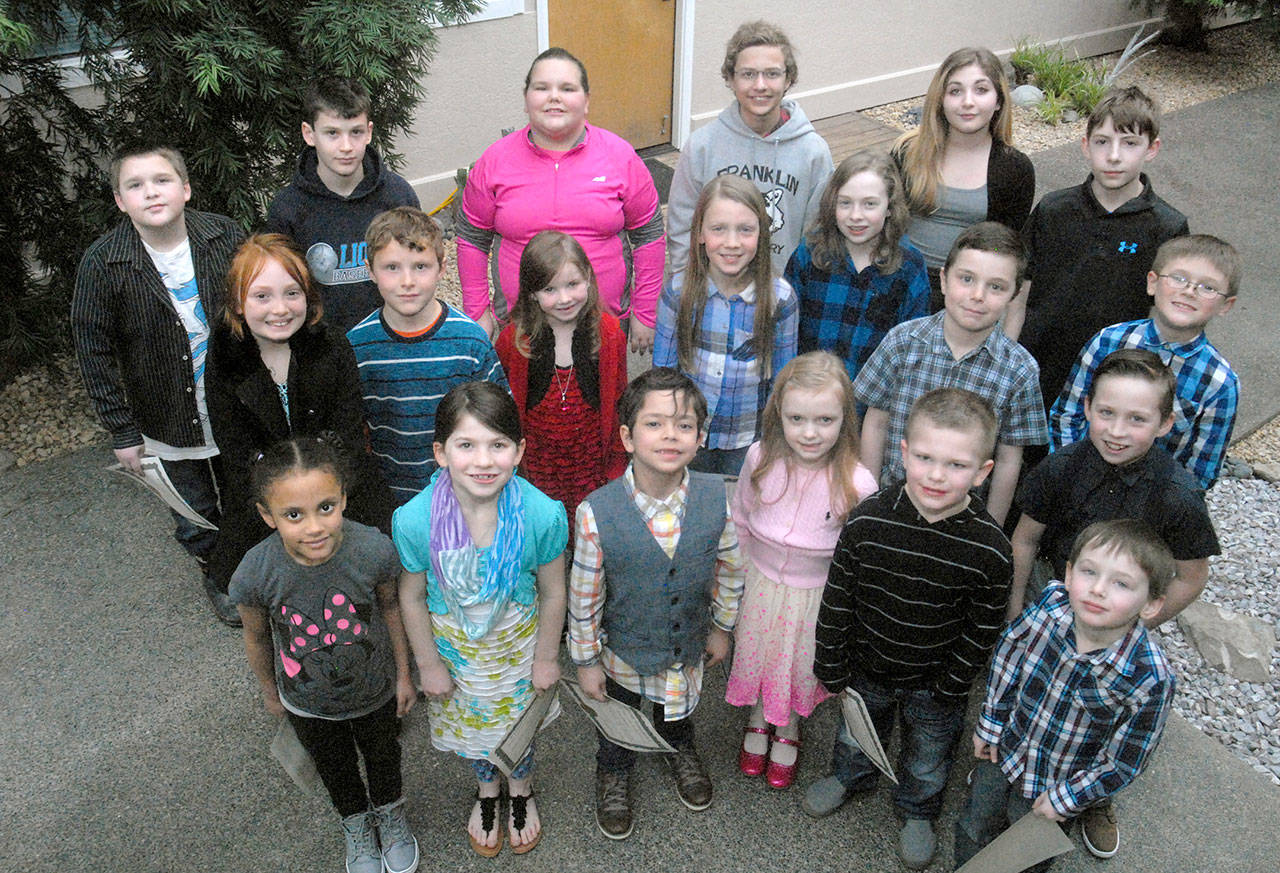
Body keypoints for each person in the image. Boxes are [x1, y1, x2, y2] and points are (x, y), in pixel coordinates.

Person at [809, 388, 1012, 870]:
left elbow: (981, 631)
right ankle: (851, 776)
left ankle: (918, 809)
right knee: (856, 732)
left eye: (957, 465)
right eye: (924, 457)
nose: (937, 475)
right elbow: (838, 596)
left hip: (935, 683)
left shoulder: (990, 551)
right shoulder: (867, 523)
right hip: (866, 666)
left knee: (929, 754)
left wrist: (953, 684)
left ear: (983, 472)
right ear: (903, 453)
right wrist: (830, 661)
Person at [568, 367, 746, 840]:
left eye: (684, 425)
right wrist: (586, 660)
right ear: (627, 437)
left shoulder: (717, 499)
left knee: (678, 712)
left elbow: (730, 569)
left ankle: (679, 751)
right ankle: (614, 773)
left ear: (700, 436)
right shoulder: (595, 511)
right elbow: (585, 597)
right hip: (622, 652)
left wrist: (723, 627)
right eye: (655, 423)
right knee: (617, 720)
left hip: (686, 645)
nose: (670, 434)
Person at [71, 143, 243, 623]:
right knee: (194, 510)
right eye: (135, 185)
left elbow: (256, 307)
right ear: (120, 200)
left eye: (162, 180)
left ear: (185, 189)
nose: (151, 192)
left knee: (245, 491)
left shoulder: (224, 236)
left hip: (232, 404)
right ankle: (218, 573)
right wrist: (122, 432)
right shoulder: (104, 264)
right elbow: (94, 351)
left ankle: (256, 568)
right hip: (164, 416)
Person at [229, 436, 418, 873]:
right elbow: (256, 637)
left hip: (376, 691)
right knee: (335, 769)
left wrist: (404, 675)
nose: (313, 527)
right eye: (293, 515)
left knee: (384, 757)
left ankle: (390, 814)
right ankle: (355, 823)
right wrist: (269, 693)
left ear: (344, 499)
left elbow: (391, 608)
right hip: (308, 703)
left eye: (325, 508)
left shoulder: (373, 549)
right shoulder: (256, 572)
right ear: (267, 515)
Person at [395, 382, 567, 857]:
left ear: (519, 451)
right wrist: (428, 665)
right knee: (473, 734)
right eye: (466, 445)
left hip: (519, 648)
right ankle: (488, 789)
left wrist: (547, 658)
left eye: (498, 445)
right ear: (440, 452)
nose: (483, 461)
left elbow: (554, 591)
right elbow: (411, 597)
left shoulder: (542, 514)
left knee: (519, 729)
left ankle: (522, 788)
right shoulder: (415, 519)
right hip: (455, 654)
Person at [954, 520, 1176, 872]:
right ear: (1070, 575)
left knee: (1027, 853)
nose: (1098, 589)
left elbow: (1125, 759)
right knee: (975, 822)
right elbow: (1008, 657)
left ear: (1151, 604)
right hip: (1004, 752)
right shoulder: (1051, 607)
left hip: (1058, 783)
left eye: (1121, 583)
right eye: (1089, 572)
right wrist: (991, 722)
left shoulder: (1149, 677)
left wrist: (1069, 798)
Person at [207, 234, 394, 622]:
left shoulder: (330, 344)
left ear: (309, 298)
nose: (279, 309)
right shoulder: (226, 352)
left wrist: (322, 489)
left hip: (332, 470)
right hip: (265, 477)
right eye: (262, 297)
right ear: (238, 303)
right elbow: (234, 442)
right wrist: (280, 497)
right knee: (244, 561)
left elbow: (346, 426)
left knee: (383, 553)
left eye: (292, 294)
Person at [724, 352, 878, 790]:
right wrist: (731, 579)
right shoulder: (760, 457)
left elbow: (857, 559)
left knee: (797, 665)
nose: (810, 433)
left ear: (845, 420)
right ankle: (759, 716)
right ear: (779, 416)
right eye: (797, 419)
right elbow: (740, 519)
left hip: (817, 595)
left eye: (825, 420)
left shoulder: (858, 483)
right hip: (760, 582)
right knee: (758, 654)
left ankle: (788, 725)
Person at [455, 47, 664, 354]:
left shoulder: (620, 156)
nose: (554, 97)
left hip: (602, 326)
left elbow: (649, 235)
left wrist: (645, 312)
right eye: (542, 88)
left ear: (587, 100)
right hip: (520, 328)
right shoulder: (495, 160)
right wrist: (478, 312)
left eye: (567, 88)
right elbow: (472, 238)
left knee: (604, 400)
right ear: (526, 99)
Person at [852, 222, 1047, 525]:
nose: (978, 295)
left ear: (1014, 295)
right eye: (966, 279)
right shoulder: (903, 341)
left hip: (963, 522)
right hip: (891, 504)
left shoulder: (1019, 370)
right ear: (943, 280)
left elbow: (1010, 459)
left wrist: (990, 530)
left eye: (996, 287)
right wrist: (868, 502)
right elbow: (876, 423)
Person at [1009, 349, 1219, 623]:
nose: (1117, 431)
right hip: (1049, 588)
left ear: (1165, 423)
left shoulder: (1178, 497)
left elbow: (1191, 578)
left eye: (1137, 419)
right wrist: (1014, 609)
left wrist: (1135, 627)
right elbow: (1025, 539)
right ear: (1088, 408)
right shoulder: (1060, 467)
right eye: (1107, 413)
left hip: (1121, 606)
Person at [1012, 86, 1189, 409]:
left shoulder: (1167, 226)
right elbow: (1022, 287)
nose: (1114, 155)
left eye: (1130, 143)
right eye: (1102, 141)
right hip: (1038, 365)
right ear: (1085, 145)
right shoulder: (1054, 209)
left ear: (1152, 148)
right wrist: (1009, 352)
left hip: (1113, 375)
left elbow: (1167, 314)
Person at [1050, 234, 1241, 489]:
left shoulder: (1220, 384)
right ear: (1152, 283)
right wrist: (1069, 479)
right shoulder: (1108, 341)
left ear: (1225, 305)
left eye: (1208, 287)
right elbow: (1066, 416)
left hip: (1147, 504)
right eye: (1179, 278)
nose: (1189, 291)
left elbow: (1199, 471)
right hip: (1076, 481)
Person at [347, 207, 507, 505]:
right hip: (392, 502)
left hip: (466, 496)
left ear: (442, 267)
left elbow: (499, 420)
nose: (407, 281)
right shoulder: (357, 346)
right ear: (370, 270)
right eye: (392, 267)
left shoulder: (470, 341)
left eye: (420, 266)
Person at [653, 174, 798, 477]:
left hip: (748, 439)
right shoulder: (678, 293)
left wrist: (773, 443)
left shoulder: (781, 299)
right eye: (719, 229)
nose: (732, 243)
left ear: (762, 234)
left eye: (745, 230)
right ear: (701, 233)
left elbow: (782, 382)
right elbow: (663, 377)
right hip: (687, 436)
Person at [665, 20, 833, 278]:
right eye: (748, 74)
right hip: (713, 292)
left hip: (783, 294)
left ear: (789, 78)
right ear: (730, 79)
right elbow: (681, 226)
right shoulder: (702, 147)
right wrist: (686, 284)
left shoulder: (813, 152)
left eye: (772, 73)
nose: (760, 85)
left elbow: (818, 234)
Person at [265, 77, 420, 334]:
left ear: (369, 132)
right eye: (332, 133)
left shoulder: (398, 197)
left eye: (356, 132)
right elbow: (281, 291)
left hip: (391, 341)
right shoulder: (288, 209)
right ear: (309, 134)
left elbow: (417, 271)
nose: (346, 147)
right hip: (321, 348)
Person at [496, 231, 629, 526]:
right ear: (531, 292)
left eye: (573, 284)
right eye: (550, 289)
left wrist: (617, 469)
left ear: (589, 279)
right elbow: (502, 412)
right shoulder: (512, 342)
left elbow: (621, 402)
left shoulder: (609, 335)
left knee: (591, 534)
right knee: (545, 537)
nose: (565, 298)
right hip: (537, 468)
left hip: (592, 464)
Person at [893, 47, 1034, 309]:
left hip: (965, 297)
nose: (967, 101)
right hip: (898, 283)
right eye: (955, 91)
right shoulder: (907, 153)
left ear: (999, 100)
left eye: (980, 90)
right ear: (940, 100)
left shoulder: (1015, 169)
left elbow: (1006, 251)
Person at [786, 151, 931, 383]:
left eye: (869, 204)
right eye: (845, 203)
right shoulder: (810, 254)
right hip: (810, 397)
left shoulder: (909, 267)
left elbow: (913, 349)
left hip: (872, 405)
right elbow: (784, 331)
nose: (855, 216)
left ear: (890, 207)